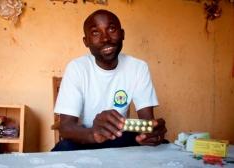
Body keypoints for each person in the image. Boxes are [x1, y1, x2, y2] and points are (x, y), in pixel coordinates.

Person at [52, 9, 167, 151]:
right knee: (63, 148)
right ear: (86, 41)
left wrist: (152, 133)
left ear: (122, 34)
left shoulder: (138, 67)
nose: (105, 38)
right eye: (95, 32)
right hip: (84, 138)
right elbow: (66, 127)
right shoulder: (77, 68)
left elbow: (146, 122)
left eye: (111, 29)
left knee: (163, 147)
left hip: (118, 137)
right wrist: (93, 134)